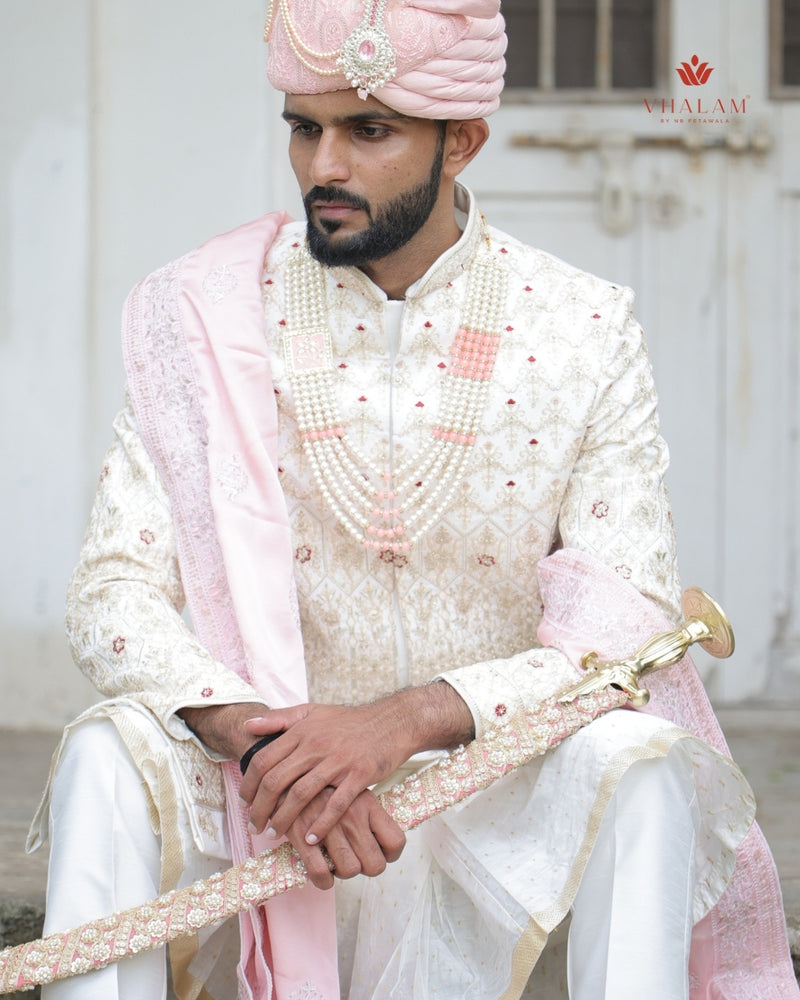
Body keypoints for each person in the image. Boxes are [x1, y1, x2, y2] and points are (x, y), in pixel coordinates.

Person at [28, 2, 798, 999]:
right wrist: (269, 747)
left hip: (488, 786)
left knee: (643, 753)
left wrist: (399, 724)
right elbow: (113, 589)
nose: (323, 166)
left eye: (368, 130)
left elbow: (622, 620)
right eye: (304, 126)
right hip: (258, 781)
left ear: (462, 141)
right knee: (104, 752)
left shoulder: (580, 328)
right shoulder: (207, 312)